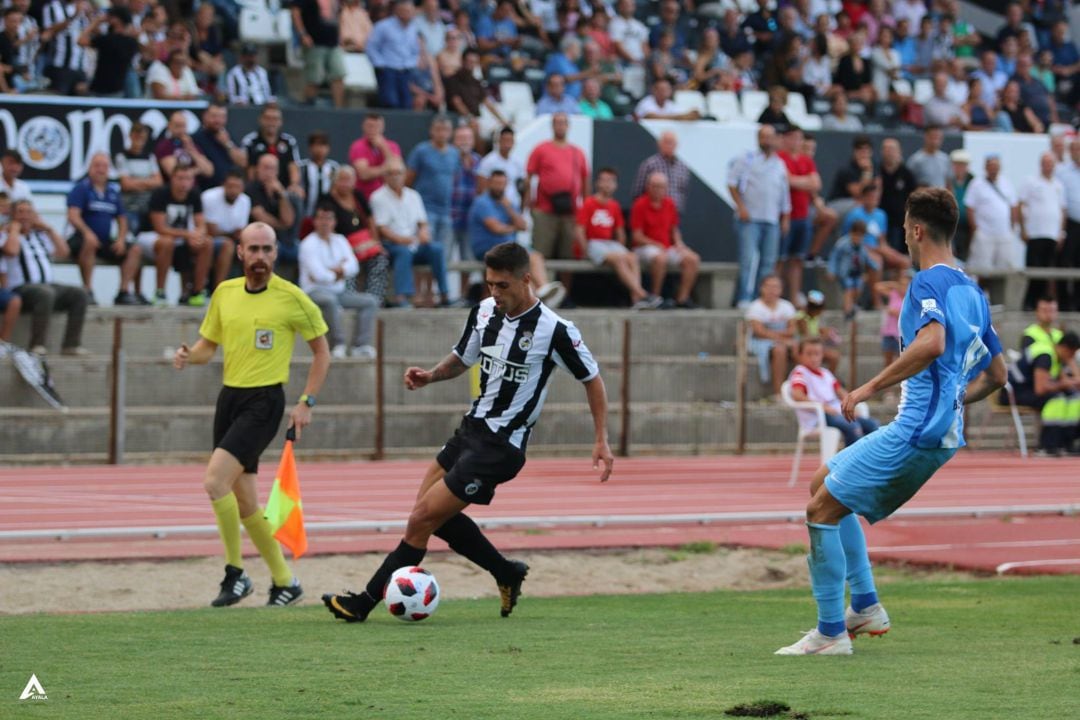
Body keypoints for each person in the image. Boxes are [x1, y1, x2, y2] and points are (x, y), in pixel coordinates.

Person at [322, 241, 613, 623]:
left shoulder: (555, 330)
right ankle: (506, 571)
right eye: (490, 284)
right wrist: (430, 376)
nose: (495, 292)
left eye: (503, 285)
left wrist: (600, 439)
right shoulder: (484, 312)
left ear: (526, 280)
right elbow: (463, 357)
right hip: (470, 430)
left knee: (422, 518)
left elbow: (592, 380)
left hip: (502, 445)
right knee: (426, 513)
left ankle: (363, 603)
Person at [776, 187, 1007, 656]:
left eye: (904, 227)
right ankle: (863, 606)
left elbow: (932, 343)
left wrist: (867, 389)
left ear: (917, 230)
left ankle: (829, 634)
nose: (902, 235)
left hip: (915, 431)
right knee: (823, 483)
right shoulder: (974, 292)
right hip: (939, 434)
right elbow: (997, 375)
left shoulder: (927, 283)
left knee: (818, 512)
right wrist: (957, 402)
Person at [173, 221, 330, 608]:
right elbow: (208, 348)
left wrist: (306, 402)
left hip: (265, 403)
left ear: (276, 253)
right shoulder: (225, 293)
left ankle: (235, 573)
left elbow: (322, 352)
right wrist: (189, 356)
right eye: (253, 249)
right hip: (230, 400)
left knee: (214, 483)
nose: (260, 257)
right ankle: (285, 581)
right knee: (244, 504)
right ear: (240, 252)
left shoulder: (292, 298)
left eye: (267, 249)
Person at [1, 199, 89, 356]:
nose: (25, 216)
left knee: (79, 293)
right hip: (21, 288)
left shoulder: (39, 236)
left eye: (28, 212)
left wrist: (49, 228)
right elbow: (12, 251)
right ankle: (37, 344)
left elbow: (63, 252)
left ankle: (71, 344)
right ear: (12, 215)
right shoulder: (6, 234)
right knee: (44, 293)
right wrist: (15, 229)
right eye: (20, 212)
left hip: (46, 285)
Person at [467, 170, 565, 307]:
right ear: (489, 183)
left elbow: (523, 225)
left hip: (508, 248)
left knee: (533, 260)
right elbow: (496, 228)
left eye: (502, 184)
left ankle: (541, 292)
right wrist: (513, 227)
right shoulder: (481, 202)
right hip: (488, 249)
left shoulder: (508, 202)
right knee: (527, 260)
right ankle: (542, 292)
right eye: (496, 183)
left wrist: (508, 208)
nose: (499, 187)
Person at [300, 203, 379, 359]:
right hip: (313, 291)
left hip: (339, 291)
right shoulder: (307, 244)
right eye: (321, 219)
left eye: (328, 219)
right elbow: (318, 275)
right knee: (329, 301)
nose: (325, 222)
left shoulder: (340, 240)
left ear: (334, 222)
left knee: (370, 301)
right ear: (314, 221)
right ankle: (338, 344)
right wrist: (340, 271)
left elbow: (353, 266)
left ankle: (361, 345)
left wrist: (334, 271)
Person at [371, 157, 451, 308]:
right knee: (403, 252)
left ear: (404, 174)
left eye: (399, 173)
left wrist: (423, 233)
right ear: (385, 176)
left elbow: (423, 222)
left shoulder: (413, 195)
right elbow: (382, 229)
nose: (395, 176)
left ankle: (444, 294)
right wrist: (403, 240)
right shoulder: (377, 197)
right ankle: (402, 297)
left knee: (437, 249)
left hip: (414, 243)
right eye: (391, 173)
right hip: (391, 245)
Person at [576, 167, 660, 310]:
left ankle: (636, 299)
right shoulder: (589, 203)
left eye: (611, 181)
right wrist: (584, 250)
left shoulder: (614, 205)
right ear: (597, 183)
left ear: (616, 185)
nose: (608, 184)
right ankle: (642, 294)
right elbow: (579, 230)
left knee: (632, 257)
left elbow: (619, 231)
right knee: (619, 259)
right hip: (594, 243)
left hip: (610, 244)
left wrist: (621, 247)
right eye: (604, 180)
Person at [727, 125, 791, 308]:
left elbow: (784, 194)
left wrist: (785, 217)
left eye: (770, 137)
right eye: (763, 137)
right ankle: (744, 297)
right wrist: (741, 208)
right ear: (758, 139)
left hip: (772, 220)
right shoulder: (746, 159)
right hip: (750, 219)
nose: (767, 141)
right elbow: (731, 184)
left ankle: (762, 299)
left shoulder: (779, 164)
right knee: (748, 259)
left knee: (768, 262)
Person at [66, 152, 141, 305]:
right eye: (97, 165)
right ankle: (87, 290)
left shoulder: (113, 192)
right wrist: (87, 233)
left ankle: (123, 291)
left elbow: (122, 218)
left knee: (135, 249)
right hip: (80, 238)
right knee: (90, 242)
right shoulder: (81, 189)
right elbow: (73, 216)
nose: (101, 170)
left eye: (104, 166)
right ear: (90, 168)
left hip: (104, 240)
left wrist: (120, 239)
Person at [136, 162, 212, 307]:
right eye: (180, 178)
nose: (184, 183)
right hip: (150, 236)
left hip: (179, 237)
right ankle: (160, 292)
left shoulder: (194, 194)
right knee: (167, 242)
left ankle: (197, 292)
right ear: (172, 178)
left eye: (188, 179)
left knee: (207, 243)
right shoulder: (161, 193)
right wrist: (189, 235)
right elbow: (160, 228)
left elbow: (201, 223)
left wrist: (198, 235)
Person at [789, 337, 879, 447]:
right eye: (809, 354)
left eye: (817, 354)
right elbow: (797, 395)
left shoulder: (826, 373)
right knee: (853, 427)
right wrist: (823, 407)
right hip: (819, 416)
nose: (813, 358)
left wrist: (851, 406)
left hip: (836, 411)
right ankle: (851, 462)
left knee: (873, 425)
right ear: (800, 355)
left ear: (822, 355)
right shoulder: (800, 372)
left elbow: (841, 392)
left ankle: (870, 460)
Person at [320, 165, 390, 304]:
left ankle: (374, 300)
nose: (345, 184)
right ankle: (349, 300)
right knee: (347, 264)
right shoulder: (327, 199)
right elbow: (328, 227)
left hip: (365, 243)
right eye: (342, 180)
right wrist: (348, 248)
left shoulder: (358, 195)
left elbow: (370, 218)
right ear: (335, 181)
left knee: (380, 258)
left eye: (349, 180)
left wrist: (375, 242)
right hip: (343, 245)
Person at [630, 172, 700, 309]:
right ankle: (655, 299)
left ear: (666, 188)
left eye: (661, 186)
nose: (657, 189)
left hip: (665, 247)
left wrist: (680, 244)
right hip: (644, 247)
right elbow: (636, 236)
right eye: (654, 186)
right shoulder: (639, 204)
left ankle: (682, 298)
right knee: (660, 258)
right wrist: (655, 244)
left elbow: (674, 230)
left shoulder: (670, 204)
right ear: (648, 186)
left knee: (692, 259)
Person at [526, 113, 590, 263]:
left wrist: (585, 207)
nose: (560, 126)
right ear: (552, 126)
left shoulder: (578, 152)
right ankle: (543, 286)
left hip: (570, 211)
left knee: (568, 255)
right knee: (541, 253)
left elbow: (585, 180)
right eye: (557, 123)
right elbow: (529, 177)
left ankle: (565, 287)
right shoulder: (541, 149)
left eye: (563, 123)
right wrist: (529, 202)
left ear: (568, 126)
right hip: (545, 210)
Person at [1012, 319, 1080, 456]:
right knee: (1057, 399)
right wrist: (1064, 384)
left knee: (1074, 397)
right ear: (1065, 348)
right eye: (1072, 355)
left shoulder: (1057, 355)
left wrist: (1068, 383)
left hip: (1029, 389)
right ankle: (1046, 446)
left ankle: (1066, 443)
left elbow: (1067, 380)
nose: (1071, 359)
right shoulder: (1045, 356)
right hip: (1015, 391)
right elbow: (1040, 389)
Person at [777, 126, 820, 305]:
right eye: (793, 138)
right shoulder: (779, 158)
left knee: (797, 260)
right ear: (785, 139)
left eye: (799, 138)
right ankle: (776, 296)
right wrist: (805, 181)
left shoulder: (806, 160)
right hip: (785, 216)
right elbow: (785, 180)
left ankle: (794, 297)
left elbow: (816, 184)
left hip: (803, 216)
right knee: (780, 259)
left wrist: (796, 181)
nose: (796, 142)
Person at [1019, 152, 1066, 310]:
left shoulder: (1058, 185)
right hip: (1035, 234)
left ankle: (1039, 303)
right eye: (1045, 163)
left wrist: (1061, 232)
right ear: (1041, 164)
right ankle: (1028, 302)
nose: (1048, 166)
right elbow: (1021, 205)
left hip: (1052, 235)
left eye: (1050, 163)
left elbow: (1062, 210)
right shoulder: (1031, 182)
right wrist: (1023, 229)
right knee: (1033, 269)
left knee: (1047, 273)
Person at [965, 154, 1022, 271]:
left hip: (1004, 233)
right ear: (985, 167)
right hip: (984, 233)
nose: (993, 169)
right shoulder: (976, 184)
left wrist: (1012, 227)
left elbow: (1014, 205)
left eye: (996, 166)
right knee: (981, 267)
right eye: (991, 166)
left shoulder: (1007, 183)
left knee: (1004, 267)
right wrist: (976, 229)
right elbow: (970, 207)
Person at [746, 274, 797, 400]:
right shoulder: (755, 307)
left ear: (781, 289)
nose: (772, 290)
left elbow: (792, 330)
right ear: (761, 288)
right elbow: (759, 332)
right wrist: (782, 338)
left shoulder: (787, 306)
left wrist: (774, 335)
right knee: (780, 350)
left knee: (801, 349)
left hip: (784, 342)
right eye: (768, 286)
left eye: (776, 287)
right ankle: (778, 393)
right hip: (759, 343)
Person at [201, 169, 251, 290]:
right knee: (227, 245)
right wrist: (231, 233)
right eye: (230, 186)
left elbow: (241, 232)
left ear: (243, 187)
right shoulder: (209, 197)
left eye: (237, 187)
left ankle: (249, 289)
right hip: (207, 239)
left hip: (230, 240)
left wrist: (234, 234)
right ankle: (218, 290)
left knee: (251, 248)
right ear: (223, 185)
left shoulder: (245, 200)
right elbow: (210, 231)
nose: (233, 191)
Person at [366, 0, 421, 109]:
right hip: (388, 70)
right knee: (390, 102)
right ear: (397, 11)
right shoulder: (383, 26)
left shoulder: (413, 29)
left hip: (406, 71)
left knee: (406, 103)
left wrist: (412, 63)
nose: (407, 14)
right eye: (404, 11)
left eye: (409, 11)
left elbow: (415, 50)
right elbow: (371, 46)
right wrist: (380, 64)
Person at [241, 105, 303, 200]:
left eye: (275, 119)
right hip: (259, 189)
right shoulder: (250, 141)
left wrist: (294, 185)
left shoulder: (289, 141)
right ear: (260, 119)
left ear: (280, 122)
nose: (271, 123)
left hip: (283, 187)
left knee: (297, 194)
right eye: (268, 118)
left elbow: (293, 167)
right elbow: (250, 172)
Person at [114, 123, 163, 237]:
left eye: (142, 138)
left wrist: (135, 181)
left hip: (148, 207)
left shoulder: (150, 157)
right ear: (131, 136)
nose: (140, 141)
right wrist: (148, 182)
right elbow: (126, 184)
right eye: (137, 137)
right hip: (129, 207)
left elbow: (159, 182)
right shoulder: (122, 156)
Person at [78, 6, 138, 97]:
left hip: (98, 90)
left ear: (117, 20)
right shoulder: (132, 43)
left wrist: (95, 22)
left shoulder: (107, 40)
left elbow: (80, 40)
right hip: (117, 91)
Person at [191, 103, 249, 192]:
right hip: (205, 189)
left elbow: (242, 162)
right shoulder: (196, 138)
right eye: (214, 116)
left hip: (230, 191)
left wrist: (227, 144)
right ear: (205, 116)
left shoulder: (229, 138)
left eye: (222, 117)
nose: (218, 120)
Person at [829, 219, 880, 318]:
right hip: (845, 272)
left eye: (860, 236)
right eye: (856, 235)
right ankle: (847, 310)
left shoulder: (861, 247)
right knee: (849, 289)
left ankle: (853, 306)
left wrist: (875, 266)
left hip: (857, 272)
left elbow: (866, 258)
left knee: (857, 289)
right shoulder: (842, 244)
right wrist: (832, 270)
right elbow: (834, 257)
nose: (858, 238)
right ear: (851, 233)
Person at [632, 131, 690, 213]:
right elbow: (638, 191)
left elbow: (683, 191)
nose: (669, 145)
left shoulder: (682, 167)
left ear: (676, 145)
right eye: (666, 142)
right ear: (659, 144)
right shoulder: (649, 164)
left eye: (671, 142)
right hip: (652, 213)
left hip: (674, 213)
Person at [41, 0, 90, 96]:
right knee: (59, 102)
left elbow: (90, 34)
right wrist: (74, 15)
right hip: (60, 65)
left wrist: (90, 16)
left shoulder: (82, 8)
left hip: (80, 66)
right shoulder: (52, 7)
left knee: (81, 105)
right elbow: (48, 32)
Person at [349, 113, 402, 200]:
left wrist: (383, 147)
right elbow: (364, 174)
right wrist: (387, 168)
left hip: (389, 197)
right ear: (363, 126)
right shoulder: (358, 146)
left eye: (376, 126)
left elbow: (397, 169)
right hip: (365, 197)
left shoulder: (392, 146)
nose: (372, 130)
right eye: (369, 126)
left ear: (382, 128)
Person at [154, 110, 215, 183]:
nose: (181, 130)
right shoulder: (164, 146)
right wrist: (198, 169)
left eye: (183, 126)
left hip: (195, 189)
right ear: (169, 126)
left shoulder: (192, 144)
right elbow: (173, 173)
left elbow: (209, 171)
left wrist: (191, 150)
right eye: (177, 126)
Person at [878, 138, 916, 253]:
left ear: (899, 152)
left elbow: (912, 196)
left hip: (899, 220)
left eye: (892, 149)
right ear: (881, 152)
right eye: (886, 149)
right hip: (879, 218)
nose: (889, 152)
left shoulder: (906, 174)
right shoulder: (876, 172)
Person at [477, 126, 525, 212]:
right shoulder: (488, 161)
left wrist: (522, 207)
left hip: (513, 206)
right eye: (505, 140)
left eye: (510, 140)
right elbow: (482, 188)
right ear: (499, 141)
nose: (507, 144)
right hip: (494, 208)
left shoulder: (518, 163)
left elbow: (523, 187)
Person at [795, 290, 841, 373]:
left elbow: (817, 331)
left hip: (814, 346)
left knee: (835, 356)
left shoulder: (815, 318)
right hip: (803, 348)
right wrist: (824, 336)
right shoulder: (801, 318)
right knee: (831, 355)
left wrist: (824, 332)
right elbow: (807, 338)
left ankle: (827, 378)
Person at [298, 131, 340, 221]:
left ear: (328, 148)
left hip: (327, 217)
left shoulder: (334, 167)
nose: (319, 149)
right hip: (305, 215)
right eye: (316, 145)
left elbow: (336, 189)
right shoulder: (301, 167)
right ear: (310, 147)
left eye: (323, 145)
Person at [1058, 139, 1080, 311]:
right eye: (1075, 149)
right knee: (1065, 262)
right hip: (1071, 225)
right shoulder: (1063, 172)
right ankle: (1064, 304)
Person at [874, 272, 911, 368]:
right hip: (888, 333)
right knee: (887, 362)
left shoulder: (910, 298)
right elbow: (877, 287)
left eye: (906, 285)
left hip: (901, 335)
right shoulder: (894, 294)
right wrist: (894, 284)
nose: (903, 287)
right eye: (902, 284)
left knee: (901, 362)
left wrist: (896, 313)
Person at [634, 77, 699, 121]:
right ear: (654, 90)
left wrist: (691, 114)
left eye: (667, 89)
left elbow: (683, 114)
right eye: (662, 89)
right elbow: (650, 116)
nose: (665, 92)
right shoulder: (646, 102)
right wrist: (679, 117)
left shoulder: (670, 104)